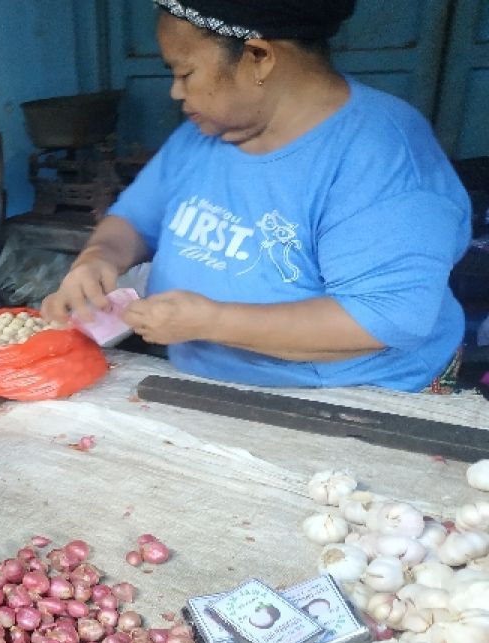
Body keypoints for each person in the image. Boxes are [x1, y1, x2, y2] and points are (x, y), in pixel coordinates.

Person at [42, 0, 471, 393]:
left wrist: (213, 321)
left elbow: (383, 319)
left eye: (185, 72)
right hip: (205, 381)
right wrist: (97, 258)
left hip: (356, 401)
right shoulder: (207, 134)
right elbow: (135, 219)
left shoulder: (380, 156)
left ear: (258, 57)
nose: (175, 92)